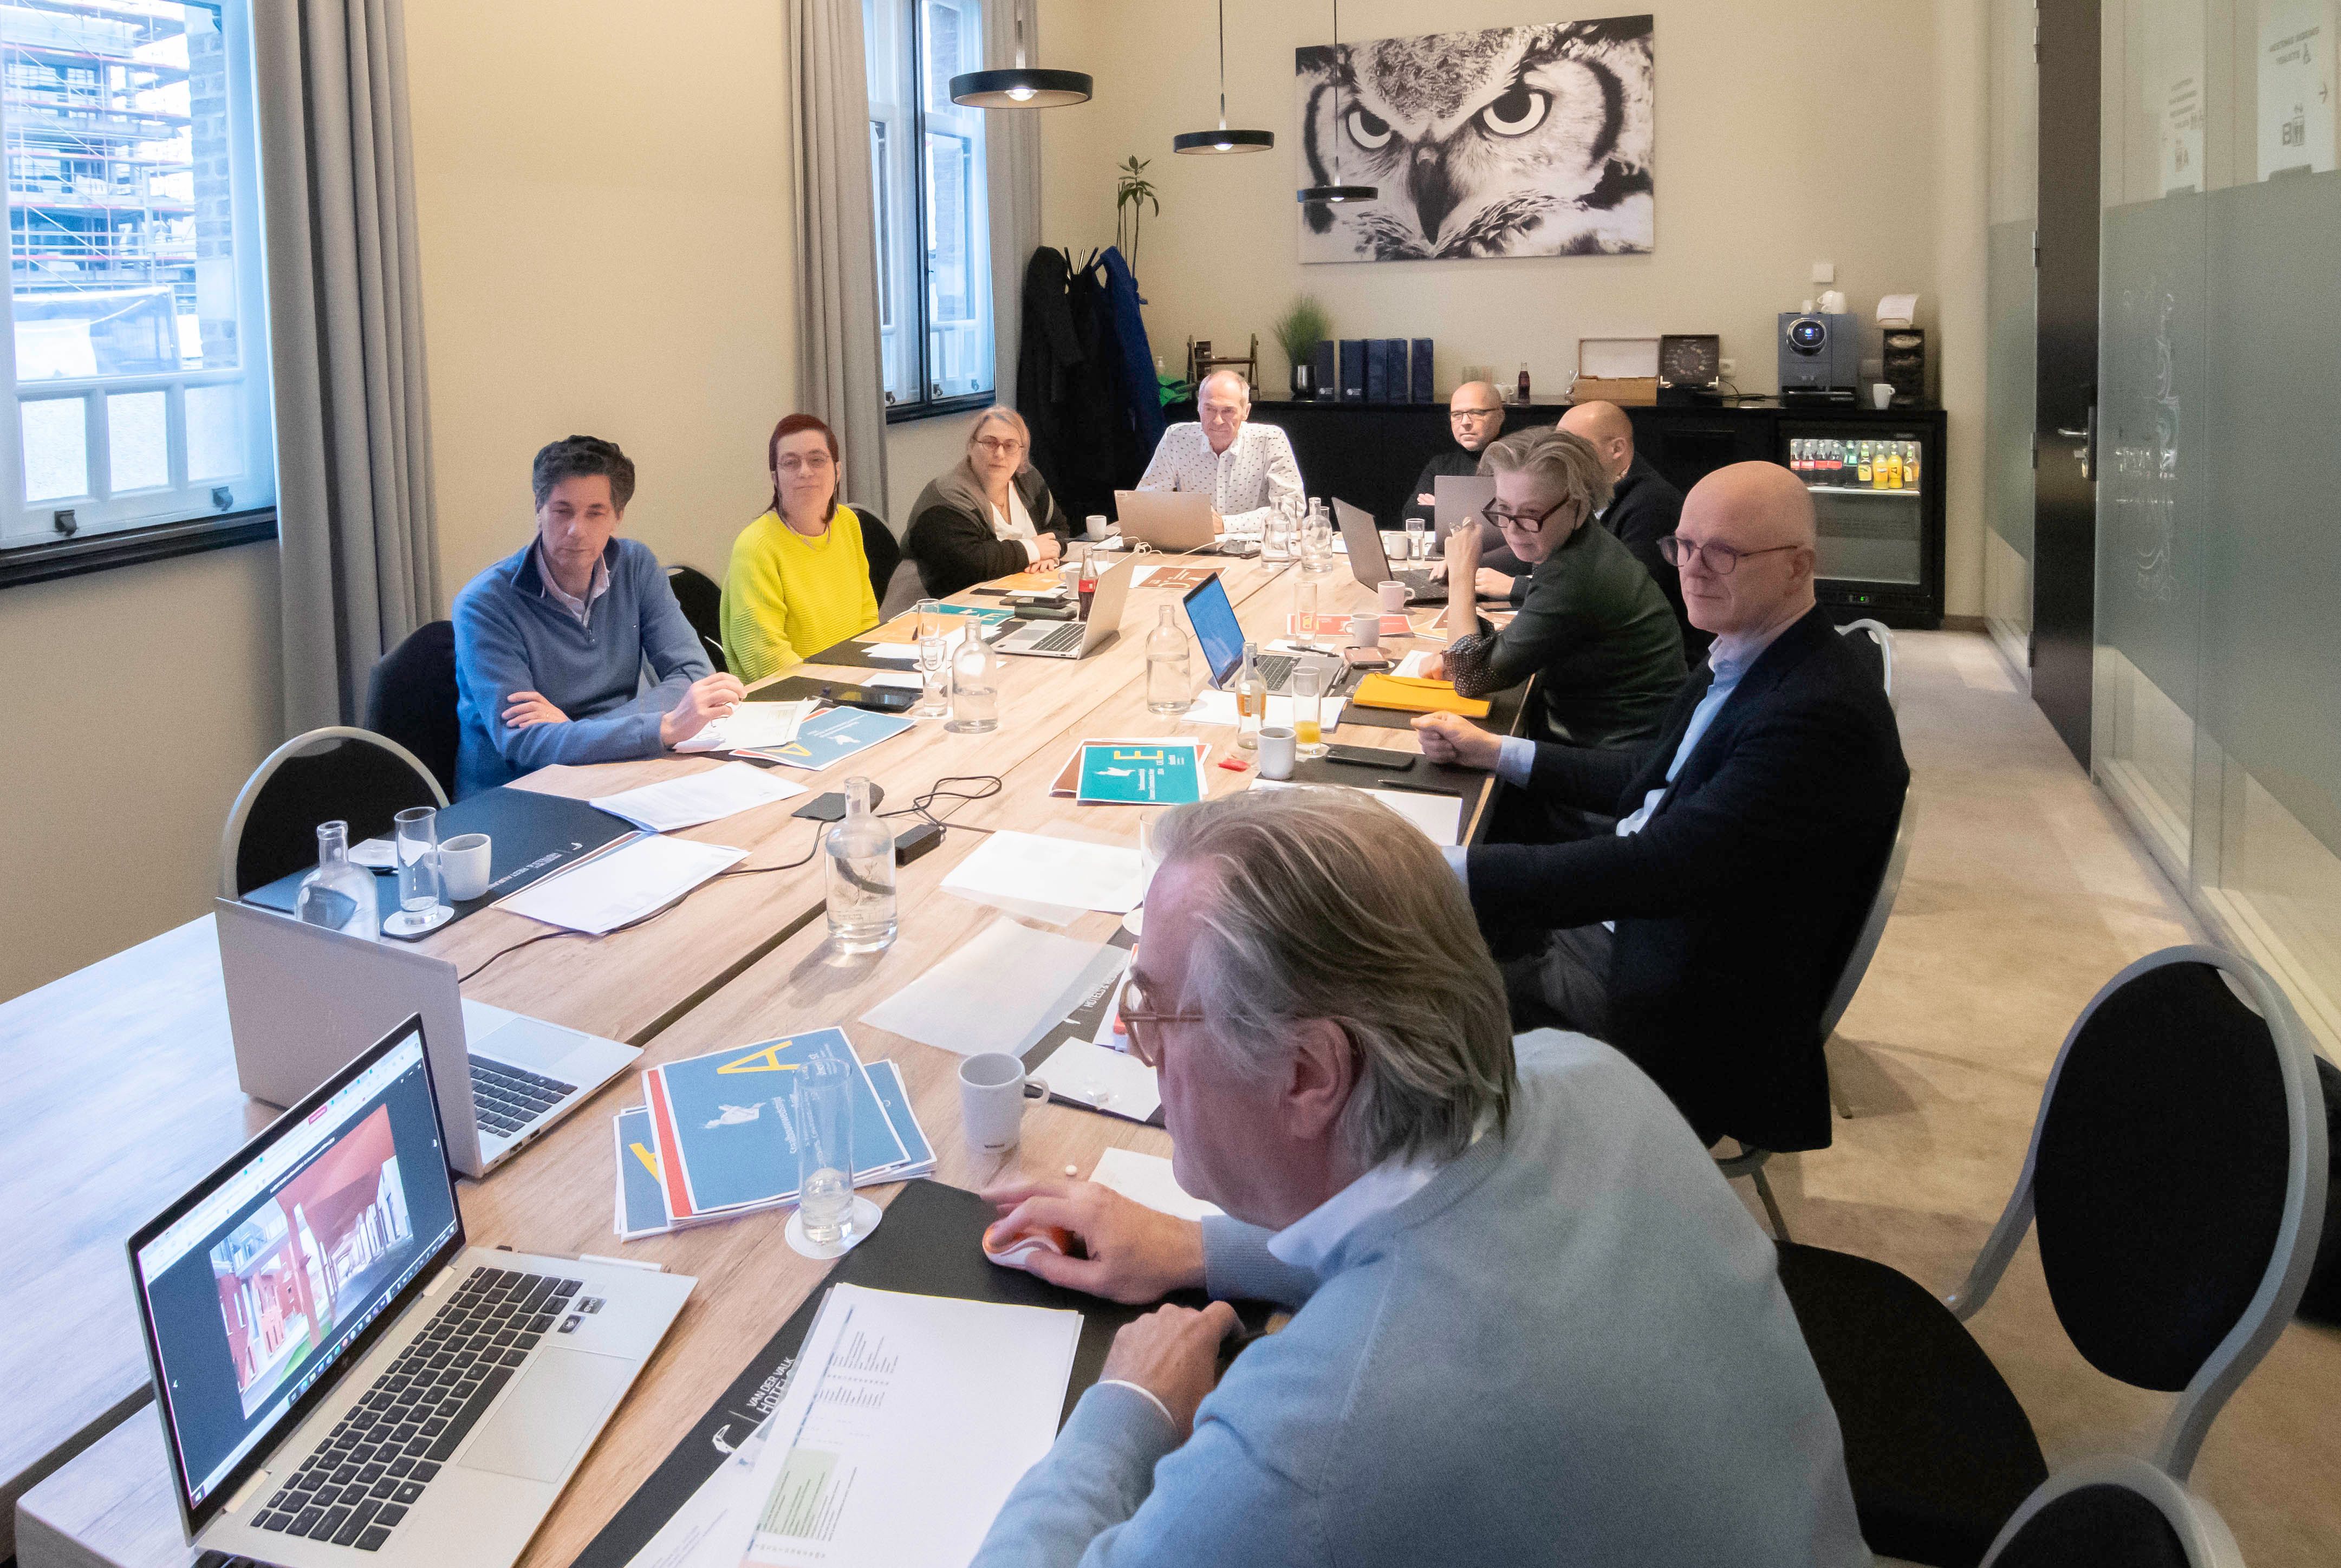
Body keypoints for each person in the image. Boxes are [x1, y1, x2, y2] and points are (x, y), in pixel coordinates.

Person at [967, 789, 1867, 1568]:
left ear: (1308, 1074)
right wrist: (1200, 1248)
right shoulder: (1587, 1074)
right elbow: (1444, 1232)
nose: (1141, 1044)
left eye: (1156, 1011)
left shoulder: (1319, 1441)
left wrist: (1129, 1408)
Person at [1415, 461, 1909, 1155]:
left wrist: (1433, 869)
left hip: (1673, 1005)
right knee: (1424, 920)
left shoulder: (1816, 714)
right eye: (1683, 546)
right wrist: (1494, 753)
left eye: (1723, 553)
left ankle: (1455, 1183)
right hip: (1644, 926)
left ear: (1798, 566)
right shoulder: (1745, 649)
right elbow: (1644, 782)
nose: (1692, 570)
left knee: (1397, 982)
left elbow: (1657, 867)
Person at [451, 436, 743, 798]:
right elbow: (524, 741)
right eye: (562, 511)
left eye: (595, 512)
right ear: (539, 509)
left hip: (616, 769)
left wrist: (574, 729)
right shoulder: (484, 604)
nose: (577, 529)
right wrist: (663, 727)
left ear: (617, 517)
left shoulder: (636, 567)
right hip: (517, 795)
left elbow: (694, 675)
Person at [1432, 427, 1685, 752]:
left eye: (1531, 514)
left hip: (1611, 757)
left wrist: (1462, 574)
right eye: (1503, 508)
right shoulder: (1583, 543)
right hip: (1613, 737)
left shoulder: (1574, 574)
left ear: (1578, 507)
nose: (1513, 529)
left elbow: (1469, 679)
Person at [718, 414, 880, 682]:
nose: (805, 471)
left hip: (853, 684)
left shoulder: (848, 524)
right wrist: (842, 686)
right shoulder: (756, 546)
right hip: (789, 697)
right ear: (775, 478)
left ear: (837, 471)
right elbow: (768, 661)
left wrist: (866, 677)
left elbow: (867, 616)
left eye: (817, 460)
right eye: (791, 463)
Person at [1553, 400, 1703, 656]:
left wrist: (1519, 587)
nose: (1559, 458)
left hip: (1647, 657)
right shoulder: (1591, 490)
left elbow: (1628, 596)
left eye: (1573, 447)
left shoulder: (1653, 504)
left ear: (1617, 449)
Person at [907, 407, 1075, 599]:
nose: (1000, 454)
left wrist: (1049, 555)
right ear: (971, 446)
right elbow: (970, 563)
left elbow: (1059, 528)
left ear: (1022, 453)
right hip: (938, 605)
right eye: (989, 443)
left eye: (1010, 445)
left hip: (1013, 594)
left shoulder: (1028, 480)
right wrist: (1033, 550)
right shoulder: (947, 496)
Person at [1134, 369, 1304, 536]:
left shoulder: (1270, 439)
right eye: (1209, 409)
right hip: (1194, 547)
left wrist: (1225, 524)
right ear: (1198, 408)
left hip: (1253, 549)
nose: (1217, 420)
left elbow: (1293, 511)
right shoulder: (1176, 438)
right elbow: (1144, 504)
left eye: (1228, 411)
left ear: (1246, 412)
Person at [1398, 380, 1505, 532]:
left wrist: (1443, 507)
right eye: (1457, 415)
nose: (1465, 422)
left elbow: (1510, 520)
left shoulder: (1518, 463)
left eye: (1476, 413)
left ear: (1500, 417)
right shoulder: (1440, 465)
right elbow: (1412, 517)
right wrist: (1474, 512)